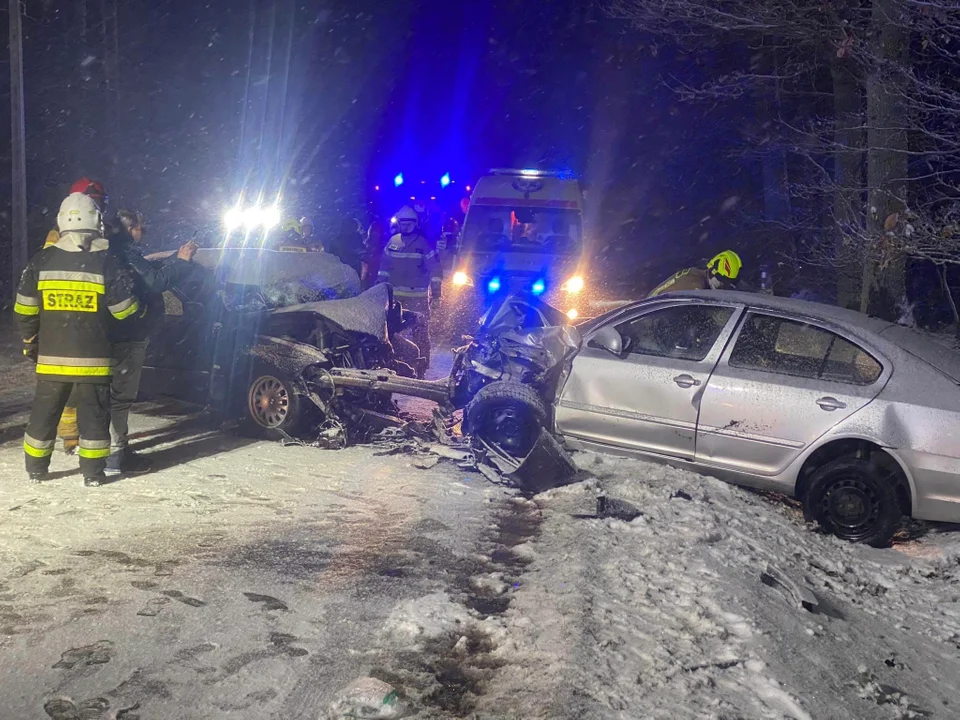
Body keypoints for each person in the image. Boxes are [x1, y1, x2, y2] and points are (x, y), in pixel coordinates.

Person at [14, 193, 140, 487]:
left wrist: (29, 340)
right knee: (94, 417)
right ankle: (92, 474)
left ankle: (36, 469)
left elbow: (24, 310)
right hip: (93, 363)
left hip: (51, 360)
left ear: (61, 222)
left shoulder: (41, 260)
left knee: (44, 415)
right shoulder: (107, 262)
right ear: (97, 224)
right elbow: (125, 312)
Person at [104, 210, 198, 475]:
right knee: (120, 396)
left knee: (106, 394)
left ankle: (106, 451)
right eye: (140, 229)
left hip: (108, 334)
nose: (142, 234)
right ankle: (116, 455)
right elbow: (154, 281)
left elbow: (148, 273)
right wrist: (180, 263)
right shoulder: (126, 253)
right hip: (128, 334)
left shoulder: (107, 253)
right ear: (129, 229)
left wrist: (173, 259)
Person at [44, 177, 111, 454]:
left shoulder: (101, 239)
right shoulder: (57, 240)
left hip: (85, 322)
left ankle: (77, 435)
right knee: (67, 387)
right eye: (95, 201)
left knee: (83, 387)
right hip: (68, 320)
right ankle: (70, 436)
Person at [376, 205, 442, 373]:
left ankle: (421, 366)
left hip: (417, 299)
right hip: (395, 299)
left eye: (408, 224)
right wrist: (378, 290)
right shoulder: (393, 242)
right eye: (402, 224)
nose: (405, 227)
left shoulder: (423, 244)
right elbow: (384, 268)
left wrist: (436, 294)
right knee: (391, 334)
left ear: (415, 224)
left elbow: (435, 270)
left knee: (420, 333)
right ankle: (394, 363)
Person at [647, 250, 743, 297]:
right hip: (647, 323)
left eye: (727, 282)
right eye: (722, 281)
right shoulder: (694, 285)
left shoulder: (697, 276)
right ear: (712, 272)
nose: (723, 285)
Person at [361, 218, 387, 289]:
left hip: (375, 279)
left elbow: (365, 264)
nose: (375, 235)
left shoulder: (367, 245)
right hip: (376, 280)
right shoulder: (384, 246)